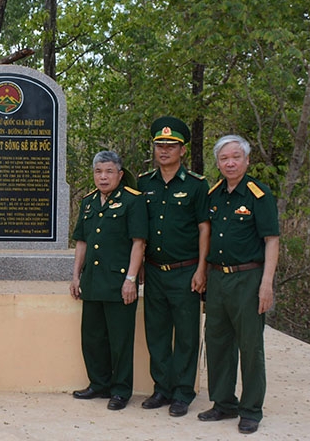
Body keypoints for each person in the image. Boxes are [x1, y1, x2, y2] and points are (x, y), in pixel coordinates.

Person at [197, 135, 279, 434]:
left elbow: (271, 240)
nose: (230, 162)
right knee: (217, 342)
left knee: (250, 345)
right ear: (218, 163)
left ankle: (251, 409)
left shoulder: (259, 194)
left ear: (246, 160)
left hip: (248, 278)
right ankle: (224, 402)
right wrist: (204, 272)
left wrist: (266, 284)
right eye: (224, 158)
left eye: (236, 157)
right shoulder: (215, 193)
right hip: (218, 277)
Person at [137, 116, 210, 417]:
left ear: (182, 150)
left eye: (171, 145)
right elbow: (138, 228)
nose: (164, 150)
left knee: (187, 335)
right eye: (159, 145)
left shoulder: (196, 185)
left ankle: (182, 392)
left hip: (186, 271)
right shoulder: (143, 183)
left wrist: (202, 269)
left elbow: (205, 228)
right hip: (154, 270)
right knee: (156, 333)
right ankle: (161, 389)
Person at [70, 150, 147, 411]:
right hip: (92, 281)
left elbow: (139, 243)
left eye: (109, 172)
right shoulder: (89, 202)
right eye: (98, 172)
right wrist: (75, 275)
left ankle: (121, 390)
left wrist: (131, 280)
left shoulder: (133, 201)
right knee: (92, 337)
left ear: (120, 174)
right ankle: (99, 384)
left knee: (120, 341)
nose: (103, 177)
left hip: (119, 284)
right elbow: (82, 240)